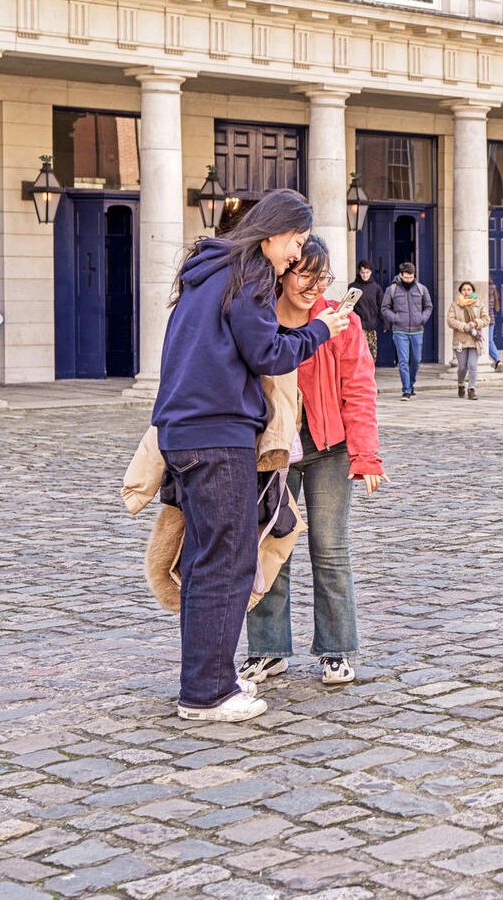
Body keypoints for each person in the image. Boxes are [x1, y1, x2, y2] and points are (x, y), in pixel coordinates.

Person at [152, 189, 353, 723]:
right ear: (273, 233)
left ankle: (206, 676)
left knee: (204, 561)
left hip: (184, 431)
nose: (296, 254)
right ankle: (207, 693)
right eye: (296, 241)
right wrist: (318, 331)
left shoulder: (210, 270)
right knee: (227, 562)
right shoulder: (252, 275)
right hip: (218, 434)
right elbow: (267, 353)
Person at [241, 237, 384, 688]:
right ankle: (268, 650)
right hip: (272, 450)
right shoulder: (258, 318)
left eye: (321, 277)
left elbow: (359, 390)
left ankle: (337, 650)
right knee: (269, 548)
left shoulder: (342, 321)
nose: (313, 285)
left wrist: (366, 455)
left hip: (328, 449)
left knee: (330, 549)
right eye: (305, 273)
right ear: (282, 271)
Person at [381, 261, 432, 400]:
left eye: (411, 277)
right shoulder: (391, 290)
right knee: (403, 361)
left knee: (416, 360)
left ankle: (411, 383)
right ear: (400, 275)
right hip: (399, 330)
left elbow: (428, 306)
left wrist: (422, 318)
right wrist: (395, 318)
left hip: (417, 330)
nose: (409, 279)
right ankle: (406, 390)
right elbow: (385, 308)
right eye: (406, 277)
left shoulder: (422, 289)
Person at [450, 281, 491, 400]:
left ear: (473, 291)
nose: (466, 292)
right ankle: (461, 384)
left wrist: (476, 323)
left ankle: (472, 389)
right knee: (462, 367)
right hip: (460, 341)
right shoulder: (455, 305)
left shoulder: (479, 304)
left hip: (474, 340)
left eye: (469, 289)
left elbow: (486, 319)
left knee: (472, 365)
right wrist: (463, 326)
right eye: (464, 290)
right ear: (460, 292)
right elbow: (450, 321)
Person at [348, 260, 382, 362]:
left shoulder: (376, 288)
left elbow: (381, 306)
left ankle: (370, 377)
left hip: (372, 326)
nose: (365, 275)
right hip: (358, 326)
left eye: (367, 272)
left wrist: (385, 323)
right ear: (359, 272)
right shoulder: (353, 287)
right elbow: (349, 306)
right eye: (362, 272)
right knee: (359, 353)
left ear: (371, 272)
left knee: (372, 355)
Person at [486, 282, 503, 372]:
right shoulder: (493, 291)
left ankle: (497, 360)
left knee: (487, 342)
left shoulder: (486, 291)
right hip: (491, 320)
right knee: (489, 341)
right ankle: (497, 360)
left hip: (485, 320)